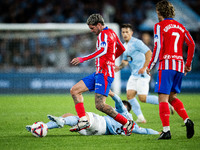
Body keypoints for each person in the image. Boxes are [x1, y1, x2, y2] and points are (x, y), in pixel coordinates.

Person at [70, 14, 134, 136]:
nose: (91, 30)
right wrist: (110, 59)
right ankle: (83, 120)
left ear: (99, 25)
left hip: (104, 74)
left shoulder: (104, 34)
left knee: (100, 105)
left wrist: (83, 59)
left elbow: (103, 50)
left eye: (92, 28)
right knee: (75, 90)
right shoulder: (112, 33)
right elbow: (121, 49)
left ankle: (127, 122)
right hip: (99, 72)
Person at [146, 0, 195, 140]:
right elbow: (191, 44)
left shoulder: (159, 26)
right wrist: (188, 64)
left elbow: (158, 47)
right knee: (172, 97)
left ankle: (166, 131)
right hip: (179, 65)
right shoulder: (181, 26)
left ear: (159, 12)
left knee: (163, 98)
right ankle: (187, 120)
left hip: (166, 65)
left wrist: (151, 65)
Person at [26, 91, 160, 136]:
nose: (115, 108)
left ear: (126, 109)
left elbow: (119, 102)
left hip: (101, 124)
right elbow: (145, 131)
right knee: (68, 115)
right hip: (96, 132)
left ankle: (60, 122)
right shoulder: (132, 124)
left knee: (84, 116)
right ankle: (42, 127)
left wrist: (111, 93)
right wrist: (157, 133)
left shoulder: (124, 113)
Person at [115, 24, 174, 123]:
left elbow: (149, 53)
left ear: (131, 33)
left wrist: (144, 67)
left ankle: (165, 102)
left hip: (143, 74)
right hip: (134, 74)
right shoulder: (124, 46)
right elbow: (126, 60)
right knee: (129, 95)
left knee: (142, 98)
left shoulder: (137, 43)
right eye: (123, 32)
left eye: (127, 32)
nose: (125, 34)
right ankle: (141, 118)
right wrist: (119, 67)